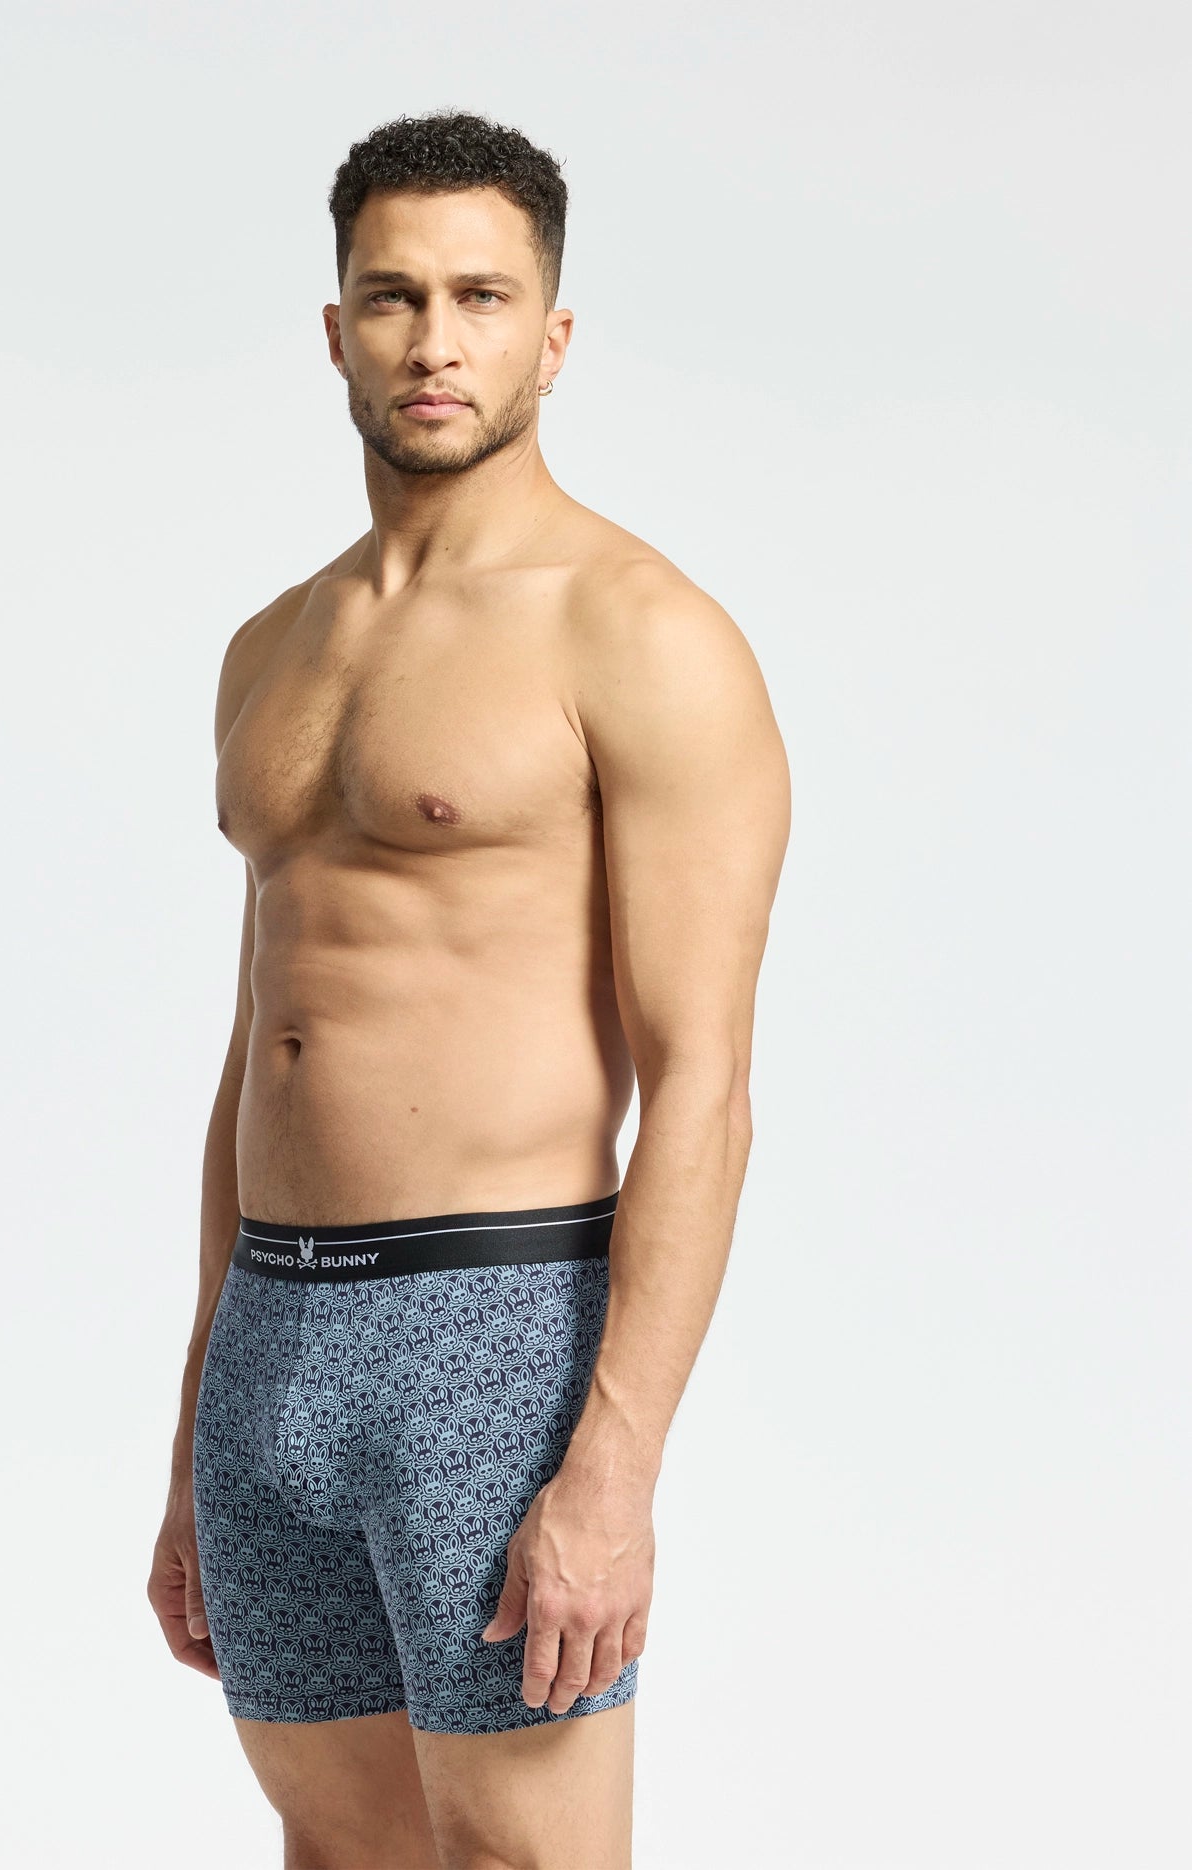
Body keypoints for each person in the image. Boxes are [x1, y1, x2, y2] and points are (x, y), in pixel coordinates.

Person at [147, 108, 791, 1870]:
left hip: (494, 1331)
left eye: (483, 297)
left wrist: (616, 1464)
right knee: (335, 1848)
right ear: (337, 328)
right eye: (395, 295)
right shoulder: (274, 646)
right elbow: (258, 1049)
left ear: (552, 335)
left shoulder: (638, 633)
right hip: (274, 1332)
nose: (436, 340)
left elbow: (706, 1084)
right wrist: (199, 1418)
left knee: (522, 1856)